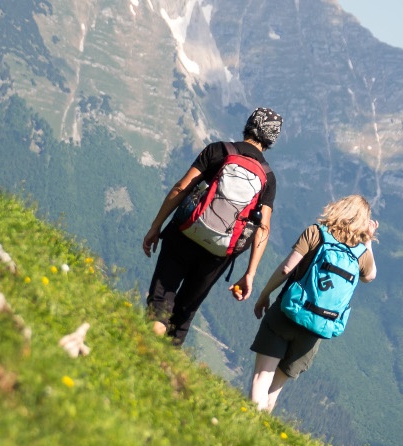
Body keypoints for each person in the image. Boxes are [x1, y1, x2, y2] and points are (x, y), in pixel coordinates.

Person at [141, 108, 283, 346]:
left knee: (161, 299)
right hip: (219, 252)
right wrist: (250, 273)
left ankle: (146, 342)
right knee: (184, 312)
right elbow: (263, 228)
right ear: (272, 139)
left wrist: (156, 225)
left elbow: (181, 187)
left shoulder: (218, 150)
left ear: (248, 125)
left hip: (184, 233)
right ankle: (161, 365)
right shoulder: (268, 178)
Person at [247, 195, 378, 412]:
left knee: (262, 378)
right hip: (316, 329)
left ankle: (244, 429)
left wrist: (264, 295)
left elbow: (286, 269)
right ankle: (257, 437)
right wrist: (368, 241)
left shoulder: (316, 233)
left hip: (286, 315)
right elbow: (370, 276)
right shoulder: (360, 254)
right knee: (274, 390)